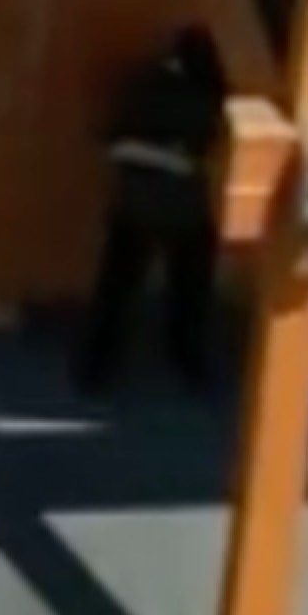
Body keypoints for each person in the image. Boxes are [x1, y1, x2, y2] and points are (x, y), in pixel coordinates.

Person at [81, 22, 230, 396]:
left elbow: (115, 140)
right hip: (186, 206)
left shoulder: (142, 87)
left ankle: (98, 369)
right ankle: (188, 362)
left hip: (135, 201)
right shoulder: (211, 92)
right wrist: (181, 160)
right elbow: (206, 151)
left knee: (117, 290)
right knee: (189, 292)